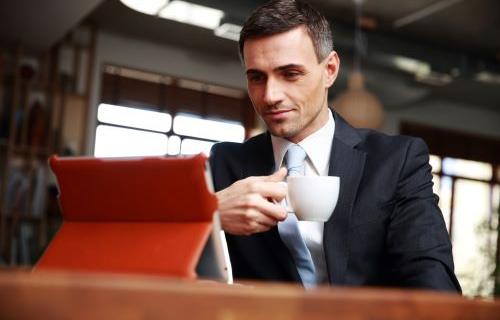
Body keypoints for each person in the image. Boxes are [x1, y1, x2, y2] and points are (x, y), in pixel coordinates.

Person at [209, 0, 461, 292]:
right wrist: (210, 212)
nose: (270, 95)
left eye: (290, 74)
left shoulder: (397, 161)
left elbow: (433, 283)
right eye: (257, 77)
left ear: (330, 69)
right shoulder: (224, 163)